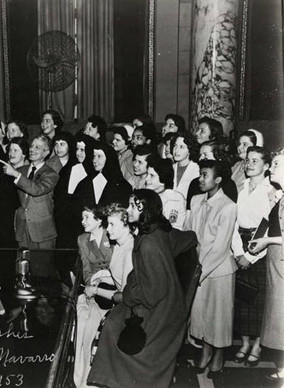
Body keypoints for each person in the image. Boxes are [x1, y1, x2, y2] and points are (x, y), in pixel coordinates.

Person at [87, 189, 197, 388]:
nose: (128, 210)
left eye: (132, 206)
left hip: (160, 314)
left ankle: (118, 381)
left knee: (112, 328)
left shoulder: (148, 243)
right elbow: (188, 238)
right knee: (113, 322)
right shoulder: (159, 228)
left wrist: (126, 294)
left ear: (144, 210)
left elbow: (153, 293)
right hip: (171, 303)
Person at [185, 159, 237, 376]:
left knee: (219, 317)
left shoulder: (229, 206)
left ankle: (219, 356)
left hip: (218, 271)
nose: (200, 178)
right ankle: (206, 352)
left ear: (218, 180)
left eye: (205, 175)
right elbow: (188, 233)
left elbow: (221, 247)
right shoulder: (196, 200)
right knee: (202, 316)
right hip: (199, 269)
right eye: (200, 174)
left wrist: (199, 272)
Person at [232, 146, 274, 367]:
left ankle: (257, 344)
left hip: (259, 249)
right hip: (240, 245)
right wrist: (239, 252)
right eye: (248, 160)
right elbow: (234, 223)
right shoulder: (241, 186)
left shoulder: (270, 191)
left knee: (258, 300)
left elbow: (269, 226)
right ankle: (245, 343)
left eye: (255, 161)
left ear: (266, 166)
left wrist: (251, 255)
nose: (249, 164)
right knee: (242, 298)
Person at [249, 148, 284, 382]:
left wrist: (266, 240)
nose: (271, 168)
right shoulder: (279, 195)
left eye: (277, 164)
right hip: (276, 261)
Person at [74, 206, 113, 388]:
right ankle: (82, 376)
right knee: (83, 321)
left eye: (87, 218)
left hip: (114, 287)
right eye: (82, 217)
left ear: (99, 221)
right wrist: (93, 283)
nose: (82, 222)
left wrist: (103, 281)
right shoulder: (83, 239)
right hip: (95, 287)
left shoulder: (112, 235)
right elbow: (86, 269)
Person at [2, 134, 59, 249]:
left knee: (42, 266)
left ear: (46, 152)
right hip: (22, 229)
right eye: (32, 146)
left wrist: (15, 174)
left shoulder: (51, 174)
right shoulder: (20, 171)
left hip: (42, 231)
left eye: (37, 147)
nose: (32, 149)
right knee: (22, 265)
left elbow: (36, 190)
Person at [54, 134, 95, 248]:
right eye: (77, 149)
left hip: (83, 223)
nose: (78, 153)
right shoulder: (67, 169)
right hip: (65, 223)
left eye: (82, 150)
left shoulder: (93, 172)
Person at [73, 142, 131, 212]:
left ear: (108, 158)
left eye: (99, 156)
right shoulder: (84, 183)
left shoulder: (122, 186)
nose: (94, 160)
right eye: (94, 156)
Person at [145, 157, 186, 230]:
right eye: (147, 174)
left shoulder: (174, 200)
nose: (146, 179)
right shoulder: (149, 194)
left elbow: (171, 229)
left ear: (163, 178)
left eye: (151, 175)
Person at [172, 133, 200, 199]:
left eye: (181, 147)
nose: (176, 150)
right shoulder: (171, 168)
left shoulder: (197, 169)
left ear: (189, 150)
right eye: (175, 146)